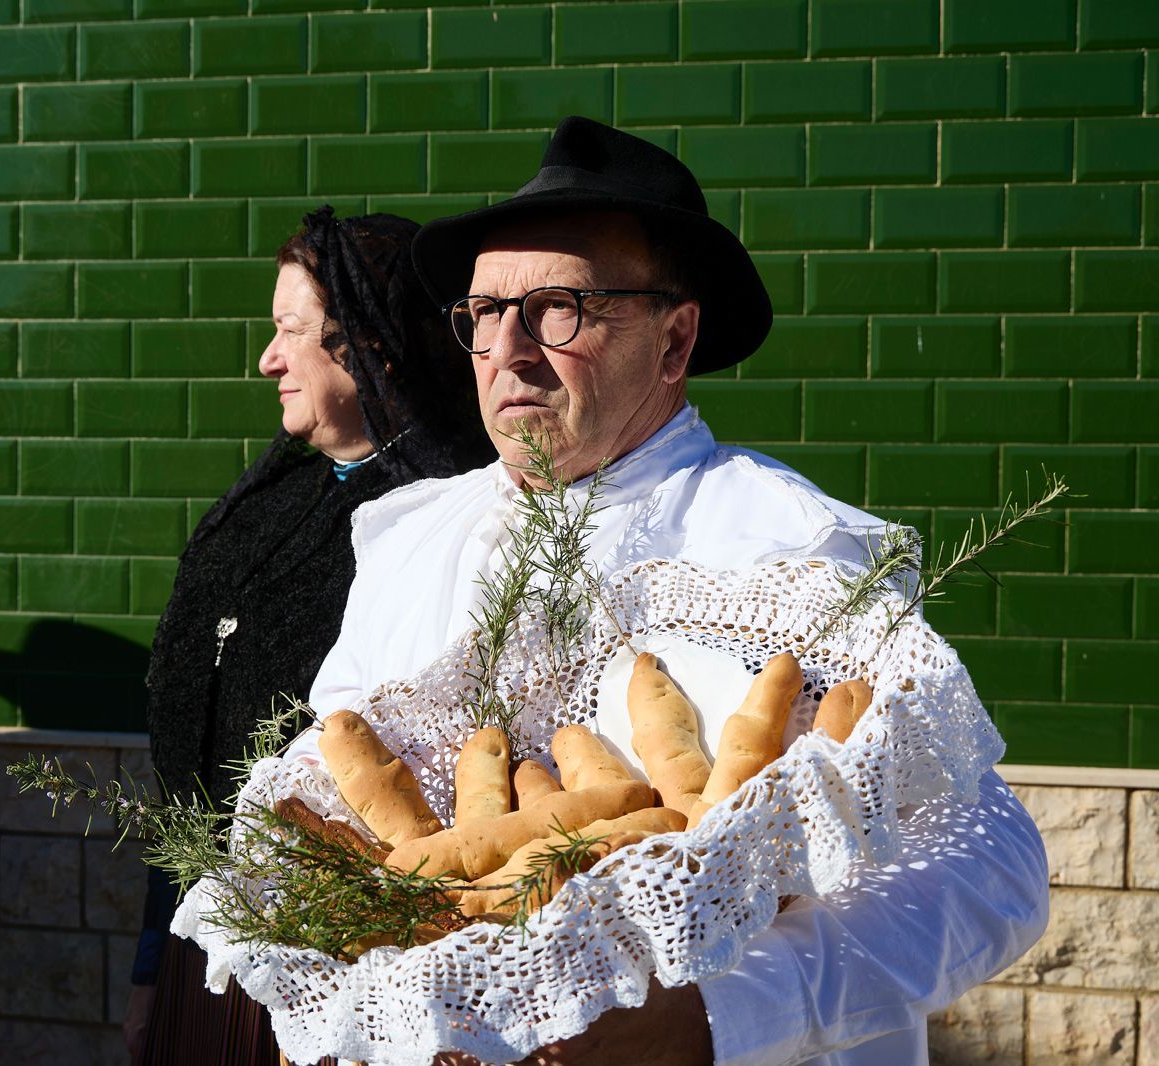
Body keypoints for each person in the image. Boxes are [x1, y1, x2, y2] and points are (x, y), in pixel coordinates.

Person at [294, 117, 1049, 1064]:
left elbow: (991, 871)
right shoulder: (412, 545)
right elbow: (326, 795)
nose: (510, 349)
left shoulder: (789, 548)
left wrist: (709, 1022)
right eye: (484, 314)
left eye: (559, 308)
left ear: (674, 339)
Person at [127, 207, 493, 1065]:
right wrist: (152, 968)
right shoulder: (271, 508)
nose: (269, 358)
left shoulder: (447, 533)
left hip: (342, 974)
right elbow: (195, 769)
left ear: (368, 346)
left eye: (291, 331)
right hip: (208, 943)